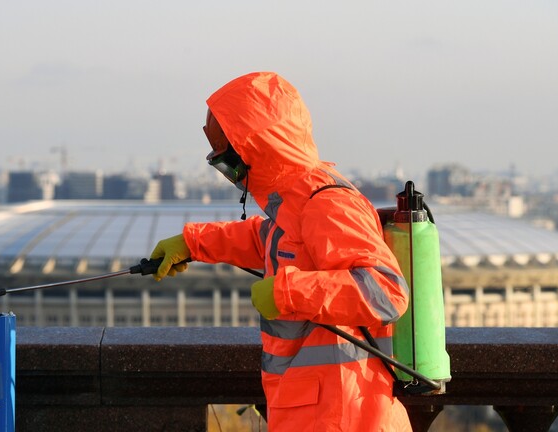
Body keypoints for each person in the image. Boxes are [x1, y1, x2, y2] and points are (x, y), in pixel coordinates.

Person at [149, 71, 412, 431]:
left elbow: (387, 291)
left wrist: (286, 292)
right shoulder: (295, 201)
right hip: (313, 408)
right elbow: (266, 239)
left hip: (345, 414)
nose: (228, 174)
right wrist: (193, 243)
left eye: (228, 161)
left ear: (257, 150)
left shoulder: (327, 202)